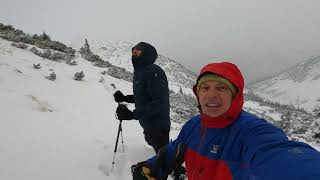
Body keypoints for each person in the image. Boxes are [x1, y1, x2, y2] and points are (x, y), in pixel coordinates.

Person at [131, 62, 320, 180]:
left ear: (235, 95)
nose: (211, 95)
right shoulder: (194, 124)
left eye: (221, 88)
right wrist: (153, 165)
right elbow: (177, 148)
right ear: (198, 94)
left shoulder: (252, 131)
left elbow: (281, 157)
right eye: (205, 88)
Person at [114, 42, 171, 153]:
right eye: (133, 49)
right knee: (158, 151)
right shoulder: (140, 72)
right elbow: (143, 97)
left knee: (164, 158)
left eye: (138, 49)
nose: (134, 51)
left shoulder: (153, 71)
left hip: (157, 125)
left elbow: (159, 102)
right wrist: (125, 98)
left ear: (147, 53)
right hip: (148, 123)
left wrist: (132, 114)